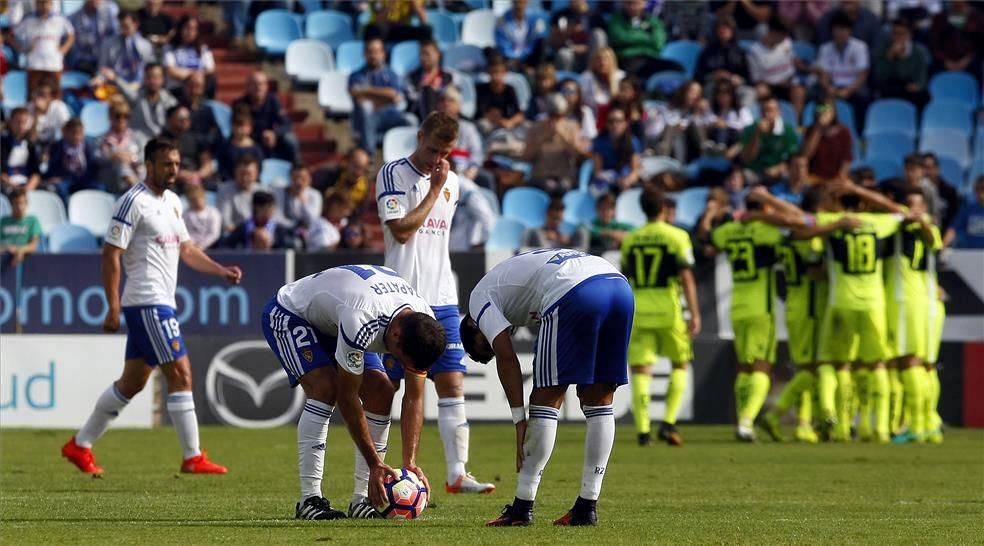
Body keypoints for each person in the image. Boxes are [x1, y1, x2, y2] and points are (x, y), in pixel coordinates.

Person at [61, 138, 242, 476]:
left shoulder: (173, 201)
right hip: (146, 302)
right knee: (181, 372)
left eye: (176, 163)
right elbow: (111, 254)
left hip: (160, 302)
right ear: (149, 165)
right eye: (166, 164)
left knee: (132, 383)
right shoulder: (132, 202)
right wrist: (112, 305)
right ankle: (192, 457)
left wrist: (220, 271)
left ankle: (80, 445)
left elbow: (187, 250)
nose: (173, 170)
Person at [376, 111, 496, 511]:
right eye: (432, 150)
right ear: (419, 136)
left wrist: (443, 184)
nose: (436, 160)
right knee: (386, 390)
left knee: (452, 383)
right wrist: (434, 189)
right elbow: (401, 230)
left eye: (445, 153)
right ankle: (373, 477)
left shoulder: (454, 182)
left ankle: (457, 473)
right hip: (400, 299)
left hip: (443, 297)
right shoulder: (393, 175)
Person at [460, 249, 634, 526]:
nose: (491, 343)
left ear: (473, 324)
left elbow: (506, 356)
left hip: (572, 287)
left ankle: (522, 507)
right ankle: (587, 506)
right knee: (599, 399)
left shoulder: (478, 300)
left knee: (546, 396)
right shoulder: (512, 287)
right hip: (618, 285)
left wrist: (519, 421)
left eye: (485, 344)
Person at [260, 264, 446, 519]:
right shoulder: (363, 318)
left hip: (338, 318)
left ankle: (362, 501)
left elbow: (414, 397)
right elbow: (348, 398)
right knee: (326, 388)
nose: (402, 366)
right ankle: (310, 500)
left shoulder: (424, 322)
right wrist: (374, 464)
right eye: (401, 359)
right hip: (292, 313)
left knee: (382, 390)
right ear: (396, 333)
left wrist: (410, 462)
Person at [813, 179, 909, 443]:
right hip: (872, 303)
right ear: (864, 203)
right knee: (877, 364)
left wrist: (833, 218)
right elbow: (899, 212)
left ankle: (841, 428)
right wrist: (858, 189)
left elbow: (801, 224)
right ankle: (878, 429)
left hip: (840, 301)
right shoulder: (876, 223)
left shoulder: (831, 222)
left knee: (840, 365)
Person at [622, 189, 700, 447]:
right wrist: (695, 313)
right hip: (669, 309)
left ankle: (644, 431)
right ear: (664, 208)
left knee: (641, 371)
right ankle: (668, 423)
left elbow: (626, 277)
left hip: (640, 308)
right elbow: (686, 277)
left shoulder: (631, 239)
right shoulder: (677, 236)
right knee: (680, 364)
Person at [758, 186, 828, 443]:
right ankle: (777, 415)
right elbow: (815, 273)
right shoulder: (808, 236)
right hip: (809, 305)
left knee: (807, 368)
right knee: (810, 369)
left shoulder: (789, 236)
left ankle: (805, 423)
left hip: (795, 304)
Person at [885, 189, 942, 444]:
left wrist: (919, 220)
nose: (911, 210)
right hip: (925, 301)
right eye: (907, 204)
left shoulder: (925, 226)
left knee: (912, 362)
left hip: (910, 300)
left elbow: (932, 239)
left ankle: (918, 425)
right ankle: (931, 422)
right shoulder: (895, 226)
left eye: (915, 205)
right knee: (926, 365)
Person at [347, 37, 411, 152]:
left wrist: (367, 90)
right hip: (369, 116)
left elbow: (393, 94)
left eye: (376, 52)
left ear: (383, 54)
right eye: (370, 52)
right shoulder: (356, 75)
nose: (373, 55)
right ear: (364, 54)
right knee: (366, 110)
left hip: (390, 115)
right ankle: (368, 155)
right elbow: (356, 93)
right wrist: (384, 96)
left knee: (411, 121)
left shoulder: (391, 74)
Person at [815, 11, 870, 130]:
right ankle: (821, 126)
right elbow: (824, 74)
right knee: (818, 97)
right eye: (837, 29)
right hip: (833, 87)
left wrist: (848, 90)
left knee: (864, 97)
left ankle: (859, 130)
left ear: (850, 31)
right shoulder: (825, 49)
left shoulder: (860, 47)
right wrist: (828, 88)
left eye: (844, 29)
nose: (841, 33)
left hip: (853, 87)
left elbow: (862, 76)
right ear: (832, 31)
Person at [523, 94, 586, 194]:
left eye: (559, 116)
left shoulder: (572, 127)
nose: (555, 120)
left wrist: (563, 136)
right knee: (549, 186)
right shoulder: (535, 128)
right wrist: (543, 139)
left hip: (564, 175)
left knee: (563, 187)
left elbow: (577, 155)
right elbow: (526, 157)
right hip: (541, 175)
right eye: (552, 116)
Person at [232, 71, 299, 162]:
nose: (258, 87)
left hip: (269, 139)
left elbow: (287, 124)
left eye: (262, 84)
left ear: (266, 87)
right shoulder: (239, 104)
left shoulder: (273, 101)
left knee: (290, 139)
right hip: (249, 140)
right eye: (254, 84)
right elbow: (237, 128)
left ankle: (296, 168)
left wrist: (274, 134)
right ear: (247, 87)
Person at [13, 0, 75, 96]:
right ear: (36, 4)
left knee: (55, 95)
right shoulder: (29, 20)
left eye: (47, 3)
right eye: (41, 3)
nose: (44, 5)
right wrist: (21, 49)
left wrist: (64, 49)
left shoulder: (59, 19)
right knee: (33, 95)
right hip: (35, 64)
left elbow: (71, 35)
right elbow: (11, 35)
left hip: (54, 64)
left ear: (51, 4)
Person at [107, 62, 178, 141]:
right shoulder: (137, 97)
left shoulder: (170, 102)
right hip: (139, 143)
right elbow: (126, 90)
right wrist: (115, 78)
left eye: (156, 77)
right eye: (149, 77)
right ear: (144, 78)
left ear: (162, 79)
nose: (152, 81)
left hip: (163, 143)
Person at [870, 18, 930, 107]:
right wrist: (889, 59)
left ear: (910, 35)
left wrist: (902, 59)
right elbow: (879, 76)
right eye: (895, 33)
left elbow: (921, 80)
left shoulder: (919, 52)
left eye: (902, 34)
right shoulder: (883, 50)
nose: (897, 37)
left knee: (922, 97)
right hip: (890, 88)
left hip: (911, 89)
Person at [739, 97, 799, 184]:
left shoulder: (787, 130)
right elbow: (747, 158)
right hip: (755, 171)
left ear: (779, 112)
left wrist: (779, 168)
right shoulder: (751, 129)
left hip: (778, 171)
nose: (767, 114)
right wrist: (757, 135)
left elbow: (793, 157)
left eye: (771, 110)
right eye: (764, 111)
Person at [606, 0, 670, 79]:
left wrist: (633, 34)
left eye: (636, 3)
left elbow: (658, 42)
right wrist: (648, 37)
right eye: (629, 3)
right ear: (623, 3)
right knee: (631, 74)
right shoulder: (616, 19)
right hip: (627, 58)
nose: (632, 7)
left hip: (650, 58)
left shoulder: (653, 20)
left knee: (674, 68)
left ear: (644, 4)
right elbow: (621, 38)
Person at [97, 97, 148, 194]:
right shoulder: (102, 139)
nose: (122, 120)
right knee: (120, 164)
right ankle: (140, 192)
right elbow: (96, 157)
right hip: (113, 182)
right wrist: (111, 156)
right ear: (110, 117)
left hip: (138, 174)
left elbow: (145, 156)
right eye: (118, 116)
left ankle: (138, 191)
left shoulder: (137, 136)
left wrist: (132, 158)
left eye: (126, 116)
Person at [160, 104, 215, 189]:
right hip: (173, 184)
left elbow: (208, 164)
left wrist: (197, 175)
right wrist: (181, 175)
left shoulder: (196, 139)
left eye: (187, 118)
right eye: (181, 119)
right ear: (169, 119)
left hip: (196, 183)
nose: (185, 121)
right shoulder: (161, 142)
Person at [96, 10, 156, 86]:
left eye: (126, 26)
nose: (123, 30)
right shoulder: (108, 44)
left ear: (136, 24)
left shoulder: (146, 46)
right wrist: (101, 77)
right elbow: (101, 68)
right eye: (121, 26)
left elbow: (151, 70)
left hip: (138, 87)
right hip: (113, 85)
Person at [44, 117, 100, 197]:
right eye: (73, 133)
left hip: (83, 179)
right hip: (64, 179)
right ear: (66, 132)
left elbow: (92, 166)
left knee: (98, 187)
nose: (76, 137)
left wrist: (88, 178)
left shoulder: (87, 146)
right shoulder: (57, 147)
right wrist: (54, 177)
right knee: (59, 189)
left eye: (79, 133)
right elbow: (53, 165)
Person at [591, 107, 642, 194]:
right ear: (607, 124)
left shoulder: (633, 142)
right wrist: (614, 180)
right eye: (611, 121)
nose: (615, 124)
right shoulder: (599, 142)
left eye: (619, 121)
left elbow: (635, 171)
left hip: (626, 181)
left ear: (625, 123)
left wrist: (628, 180)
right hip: (605, 182)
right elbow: (597, 172)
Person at [222, 191, 296, 251]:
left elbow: (285, 250)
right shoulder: (243, 228)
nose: (273, 211)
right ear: (257, 207)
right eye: (269, 207)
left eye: (273, 207)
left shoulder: (279, 230)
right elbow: (227, 247)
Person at [801, 99, 853, 182]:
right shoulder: (810, 130)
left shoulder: (844, 132)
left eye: (827, 109)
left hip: (835, 179)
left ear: (834, 112)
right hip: (813, 178)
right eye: (820, 109)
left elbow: (846, 159)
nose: (823, 112)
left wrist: (840, 179)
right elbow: (806, 156)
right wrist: (818, 129)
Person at [162, 16, 216, 95]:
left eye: (194, 29)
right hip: (178, 88)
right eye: (187, 28)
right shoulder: (169, 48)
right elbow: (172, 72)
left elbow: (210, 69)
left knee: (211, 79)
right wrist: (193, 75)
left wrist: (196, 76)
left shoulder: (203, 48)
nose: (190, 32)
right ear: (180, 29)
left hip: (198, 87)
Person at [548, 0, 606, 72]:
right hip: (571, 54)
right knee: (563, 54)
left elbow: (603, 43)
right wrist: (567, 33)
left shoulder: (595, 16)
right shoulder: (560, 16)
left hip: (590, 55)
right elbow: (553, 42)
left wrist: (586, 48)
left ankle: (593, 72)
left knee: (598, 33)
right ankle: (566, 79)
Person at [927, 0, 984, 74]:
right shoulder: (939, 18)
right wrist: (946, 61)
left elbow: (980, 44)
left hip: (972, 63)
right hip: (944, 63)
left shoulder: (977, 18)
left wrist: (967, 60)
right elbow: (934, 43)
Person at [476, 55, 526, 138]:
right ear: (488, 72)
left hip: (507, 123)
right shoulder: (481, 90)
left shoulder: (510, 89)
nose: (496, 76)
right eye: (493, 72)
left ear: (505, 73)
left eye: (499, 72)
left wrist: (511, 122)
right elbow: (483, 113)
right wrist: (501, 122)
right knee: (483, 125)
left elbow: (519, 114)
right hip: (490, 124)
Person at [694, 14, 750, 87]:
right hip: (712, 84)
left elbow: (748, 78)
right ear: (716, 30)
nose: (723, 30)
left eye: (727, 27)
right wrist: (712, 76)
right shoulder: (707, 52)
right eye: (720, 27)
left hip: (734, 85)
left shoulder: (740, 52)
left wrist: (732, 77)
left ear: (733, 30)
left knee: (748, 92)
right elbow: (698, 76)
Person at [404, 39, 453, 122]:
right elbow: (410, 98)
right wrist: (423, 90)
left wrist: (437, 91)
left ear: (437, 54)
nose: (423, 58)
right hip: (419, 114)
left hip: (444, 112)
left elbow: (452, 95)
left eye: (426, 54)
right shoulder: (412, 77)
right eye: (421, 54)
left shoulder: (448, 76)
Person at [704, 78, 753, 158]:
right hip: (713, 141)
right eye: (719, 92)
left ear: (732, 94)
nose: (722, 96)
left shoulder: (742, 111)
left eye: (726, 92)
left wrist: (726, 125)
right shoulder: (711, 109)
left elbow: (750, 131)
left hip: (734, 145)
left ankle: (721, 147)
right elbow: (704, 124)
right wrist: (714, 124)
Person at [68, 0, 119, 74]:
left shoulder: (109, 13)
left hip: (106, 61)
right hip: (84, 62)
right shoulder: (74, 18)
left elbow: (116, 36)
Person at [522, 197, 589, 251]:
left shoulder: (566, 234)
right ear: (547, 214)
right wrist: (545, 237)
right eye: (554, 218)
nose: (556, 222)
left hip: (563, 262)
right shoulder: (534, 232)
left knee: (582, 231)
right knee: (537, 233)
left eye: (559, 219)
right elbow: (524, 249)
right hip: (540, 261)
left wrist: (566, 243)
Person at [176, 72, 222, 151]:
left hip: (205, 153)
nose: (194, 91)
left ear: (203, 89)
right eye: (191, 86)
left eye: (198, 86)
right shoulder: (176, 109)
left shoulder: (207, 110)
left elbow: (216, 135)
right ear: (184, 87)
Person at [494, 0, 546, 71]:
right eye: (517, 1)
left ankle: (533, 69)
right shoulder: (502, 21)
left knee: (542, 43)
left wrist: (524, 56)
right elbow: (502, 44)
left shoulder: (535, 19)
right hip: (509, 57)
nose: (519, 5)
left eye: (522, 1)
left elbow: (538, 39)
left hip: (529, 57)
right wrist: (515, 57)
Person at [449, 175, 496, 252]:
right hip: (451, 246)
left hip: (464, 249)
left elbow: (488, 220)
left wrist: (483, 242)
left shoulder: (470, 194)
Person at [1, 107, 42, 193]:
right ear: (10, 122)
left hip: (26, 184)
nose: (21, 126)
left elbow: (36, 172)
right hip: (7, 184)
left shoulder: (31, 144)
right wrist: (14, 187)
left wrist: (28, 187)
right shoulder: (3, 142)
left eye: (24, 122)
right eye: (18, 122)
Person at [217, 155, 261, 233]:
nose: (245, 178)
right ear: (235, 172)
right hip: (236, 236)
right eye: (242, 173)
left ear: (256, 174)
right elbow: (225, 222)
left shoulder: (263, 191)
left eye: (249, 174)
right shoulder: (225, 190)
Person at [578, 47, 624, 120]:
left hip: (615, 119)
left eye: (606, 59)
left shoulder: (620, 77)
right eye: (599, 59)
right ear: (593, 61)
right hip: (592, 118)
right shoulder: (586, 77)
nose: (602, 63)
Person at [276, 163, 322, 234]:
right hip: (284, 231)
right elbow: (277, 217)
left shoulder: (315, 195)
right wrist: (294, 227)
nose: (299, 182)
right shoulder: (280, 192)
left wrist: (303, 201)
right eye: (295, 178)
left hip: (307, 234)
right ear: (289, 177)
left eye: (303, 179)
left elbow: (313, 221)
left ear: (309, 179)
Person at [0, 188, 42, 265]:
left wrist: (20, 250)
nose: (20, 207)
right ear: (11, 204)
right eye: (16, 203)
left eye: (22, 203)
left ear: (27, 203)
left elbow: (34, 245)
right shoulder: (3, 221)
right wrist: (6, 248)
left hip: (26, 263)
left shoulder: (33, 221)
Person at [324, 148, 371, 215]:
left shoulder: (365, 186)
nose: (358, 172)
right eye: (355, 166)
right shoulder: (331, 175)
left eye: (362, 169)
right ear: (346, 162)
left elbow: (359, 214)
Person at [219, 112, 265, 180]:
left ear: (250, 128)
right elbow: (221, 167)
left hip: (250, 184)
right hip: (230, 183)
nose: (238, 129)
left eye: (241, 125)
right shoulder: (226, 146)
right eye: (236, 125)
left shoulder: (256, 149)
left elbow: (259, 169)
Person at [922, 153, 961, 232]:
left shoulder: (950, 192)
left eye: (929, 168)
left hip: (944, 235)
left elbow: (955, 219)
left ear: (937, 169)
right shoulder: (916, 190)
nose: (926, 172)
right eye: (923, 168)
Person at [28, 79, 71, 147]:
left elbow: (67, 132)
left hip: (55, 144)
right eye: (37, 93)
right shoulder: (30, 107)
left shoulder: (59, 107)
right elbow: (31, 139)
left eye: (43, 94)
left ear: (51, 97)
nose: (39, 97)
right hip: (36, 145)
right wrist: (36, 115)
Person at [944, 177, 984, 249]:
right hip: (970, 255)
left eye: (983, 188)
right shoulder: (967, 210)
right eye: (977, 188)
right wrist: (943, 247)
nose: (980, 191)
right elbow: (952, 230)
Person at [364, 0, 430, 43]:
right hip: (383, 28)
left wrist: (415, 5)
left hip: (402, 28)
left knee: (426, 30)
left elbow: (424, 21)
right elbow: (378, 20)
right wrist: (390, 5)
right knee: (374, 29)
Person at [182, 184, 221, 249]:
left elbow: (214, 234)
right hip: (190, 247)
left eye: (199, 198)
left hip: (211, 247)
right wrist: (191, 244)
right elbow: (185, 233)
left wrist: (201, 246)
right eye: (192, 200)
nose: (197, 202)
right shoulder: (185, 214)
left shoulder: (213, 212)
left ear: (204, 198)